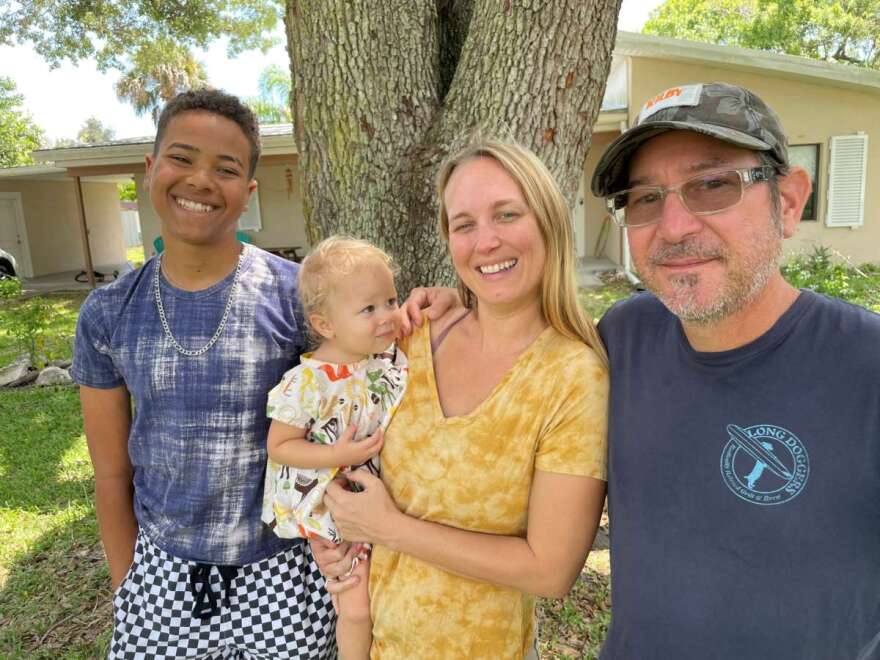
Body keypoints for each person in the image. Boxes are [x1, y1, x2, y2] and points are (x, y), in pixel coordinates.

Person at [589, 82, 880, 659]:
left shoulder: (867, 369)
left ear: (789, 202)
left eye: (713, 185)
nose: (673, 227)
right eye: (645, 198)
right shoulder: (622, 340)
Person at [314, 138, 609, 658]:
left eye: (506, 214)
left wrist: (389, 529)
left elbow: (551, 569)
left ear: (548, 220)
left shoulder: (572, 376)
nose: (485, 241)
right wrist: (335, 533)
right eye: (464, 224)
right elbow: (328, 404)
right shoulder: (412, 336)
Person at [72, 89, 334, 659]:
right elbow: (112, 474)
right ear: (151, 169)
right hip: (163, 577)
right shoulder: (109, 312)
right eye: (182, 158)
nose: (200, 181)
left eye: (227, 168)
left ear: (249, 192)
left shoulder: (300, 298)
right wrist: (129, 586)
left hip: (285, 575)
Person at [262, 236, 408, 660]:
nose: (386, 316)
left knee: (378, 594)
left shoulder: (381, 359)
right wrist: (336, 456)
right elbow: (280, 446)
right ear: (325, 325)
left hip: (372, 498)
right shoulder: (309, 382)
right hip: (329, 503)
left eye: (390, 301)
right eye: (368, 309)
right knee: (356, 603)